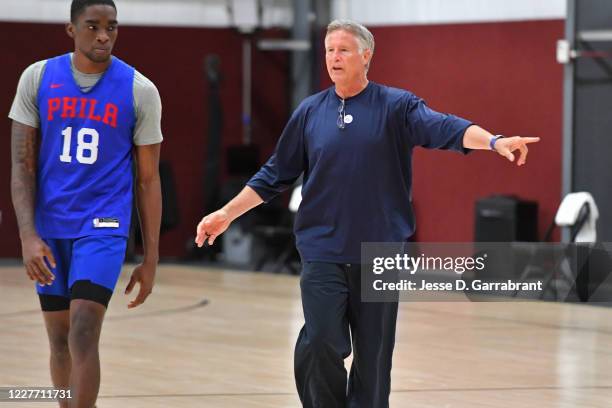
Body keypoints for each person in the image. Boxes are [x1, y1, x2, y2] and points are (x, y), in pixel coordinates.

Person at [195, 19, 539, 408]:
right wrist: (226, 213)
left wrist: (493, 142)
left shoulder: (397, 106)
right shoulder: (310, 113)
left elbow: (447, 128)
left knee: (373, 358)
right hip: (322, 249)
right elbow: (274, 174)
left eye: (342, 49)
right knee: (322, 339)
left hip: (379, 253)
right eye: (328, 50)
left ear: (366, 55)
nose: (333, 57)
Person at [9, 1, 163, 406]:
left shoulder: (139, 89)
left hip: (104, 226)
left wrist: (150, 258)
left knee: (82, 329)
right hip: (50, 226)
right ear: (70, 29)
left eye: (111, 27)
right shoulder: (38, 78)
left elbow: (148, 180)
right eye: (92, 26)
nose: (103, 36)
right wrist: (26, 235)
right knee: (59, 339)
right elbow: (21, 165)